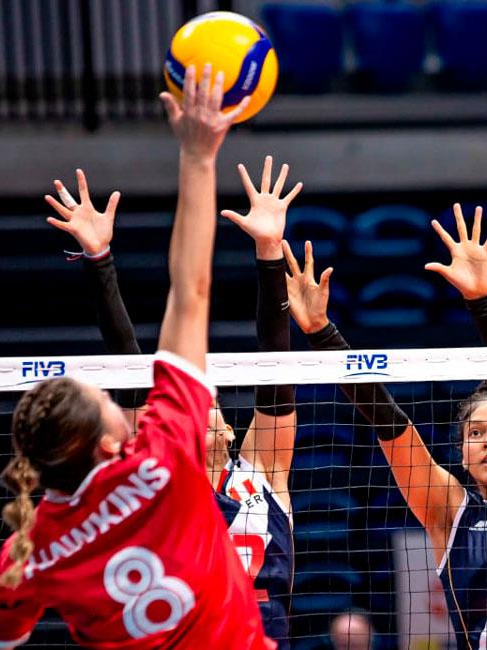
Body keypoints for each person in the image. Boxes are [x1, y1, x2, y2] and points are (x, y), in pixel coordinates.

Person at [0, 65, 271, 649]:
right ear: (108, 442)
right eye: (110, 403)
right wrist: (199, 158)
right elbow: (191, 291)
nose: (128, 408)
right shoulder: (167, 454)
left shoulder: (32, 549)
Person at [281, 203, 487, 650]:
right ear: (463, 455)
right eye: (475, 434)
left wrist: (482, 301)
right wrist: (320, 333)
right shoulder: (449, 511)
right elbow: (391, 427)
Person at [44, 148, 302, 647]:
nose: (204, 408)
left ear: (230, 429)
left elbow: (276, 368)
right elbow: (129, 364)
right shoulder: (159, 474)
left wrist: (270, 252)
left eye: (216, 406)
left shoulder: (264, 470)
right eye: (195, 403)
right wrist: (99, 259)